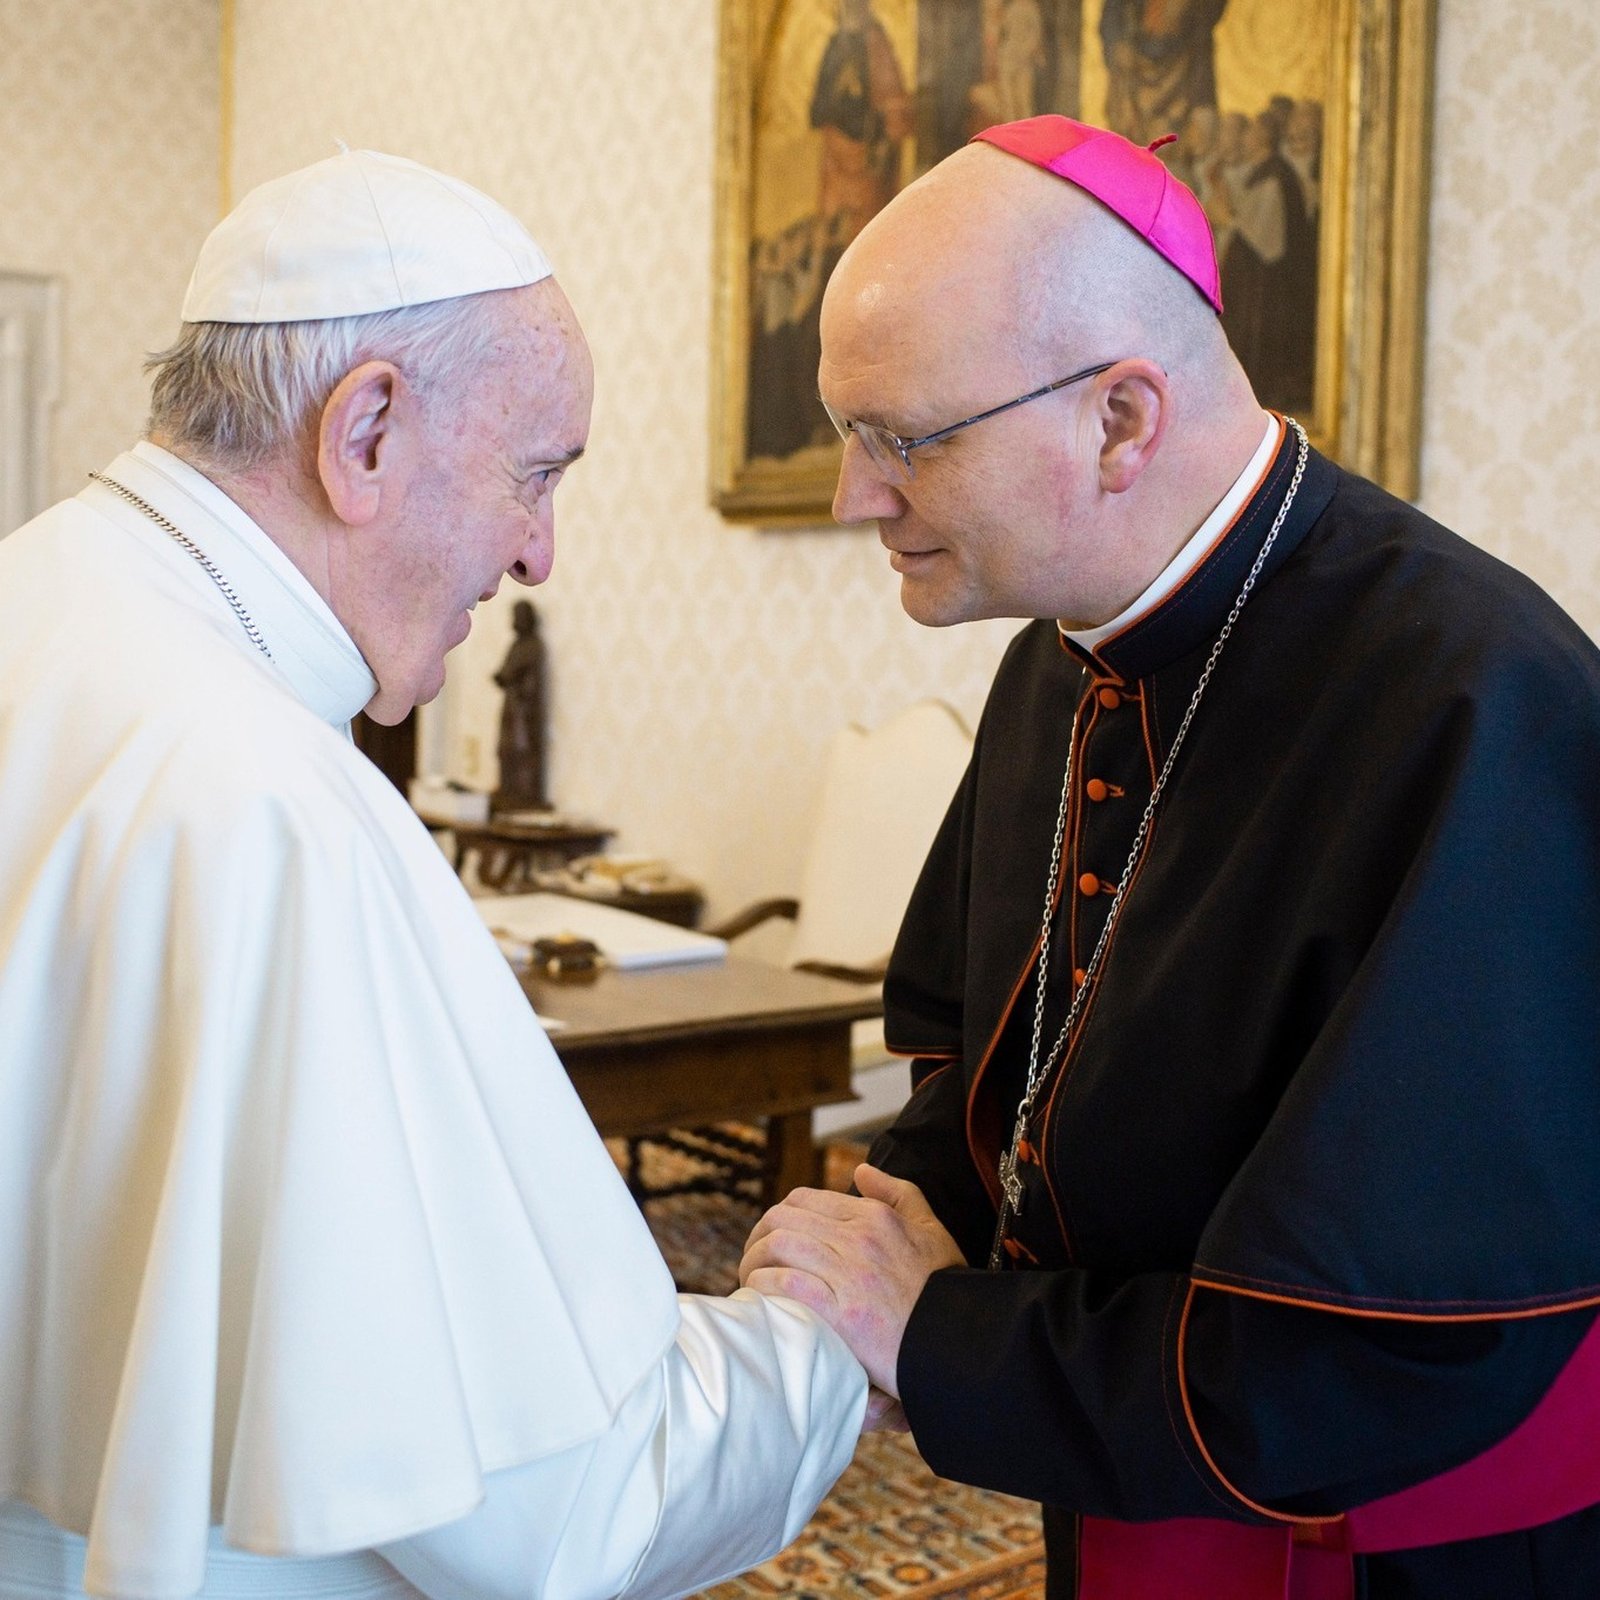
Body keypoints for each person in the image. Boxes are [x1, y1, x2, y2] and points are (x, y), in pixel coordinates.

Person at [740, 114, 1600, 1599]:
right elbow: (985, 1058)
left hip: (1396, 1543)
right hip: (1124, 1484)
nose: (852, 496)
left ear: (1121, 420)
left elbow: (1381, 1338)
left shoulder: (1473, 694)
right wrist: (880, 1249)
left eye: (902, 438)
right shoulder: (1060, 655)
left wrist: (942, 1338)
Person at [0, 148, 867, 1600]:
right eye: (537, 475)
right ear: (366, 432)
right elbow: (564, 1510)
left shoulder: (40, 593)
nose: (538, 554)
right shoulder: (271, 805)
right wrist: (825, 1343)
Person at [493, 599, 549, 812]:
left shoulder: (532, 646)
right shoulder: (517, 644)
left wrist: (504, 676)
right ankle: (508, 790)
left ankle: (523, 793)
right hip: (512, 704)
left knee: (520, 750)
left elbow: (510, 672)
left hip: (524, 709)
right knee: (506, 750)